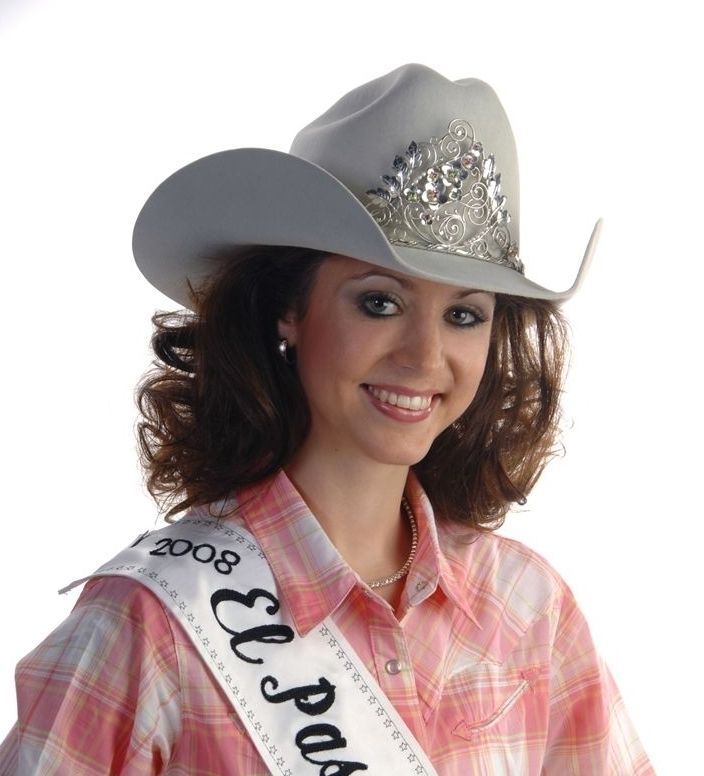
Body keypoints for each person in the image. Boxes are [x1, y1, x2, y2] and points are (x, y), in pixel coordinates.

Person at [0, 64, 653, 774]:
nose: (424, 355)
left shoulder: (528, 610)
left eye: (464, 315)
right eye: (379, 302)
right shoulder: (153, 621)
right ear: (290, 308)